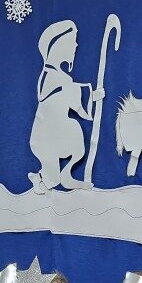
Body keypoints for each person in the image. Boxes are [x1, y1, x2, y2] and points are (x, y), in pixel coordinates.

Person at [28, 21, 97, 192]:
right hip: (47, 134)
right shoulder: (50, 76)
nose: (76, 45)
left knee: (76, 146)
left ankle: (65, 177)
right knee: (51, 179)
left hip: (57, 131)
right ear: (60, 45)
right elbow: (71, 95)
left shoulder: (58, 77)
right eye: (73, 41)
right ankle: (40, 179)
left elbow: (71, 93)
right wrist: (92, 95)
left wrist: (91, 95)